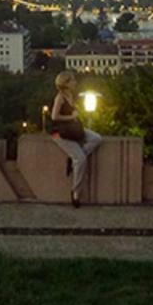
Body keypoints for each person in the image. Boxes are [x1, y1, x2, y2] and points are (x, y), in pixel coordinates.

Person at [49, 71, 103, 208]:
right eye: (72, 80)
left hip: (73, 130)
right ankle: (76, 192)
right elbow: (54, 117)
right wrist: (71, 117)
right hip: (60, 133)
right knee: (81, 159)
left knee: (96, 139)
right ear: (65, 84)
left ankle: (73, 159)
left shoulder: (70, 96)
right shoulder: (60, 98)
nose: (75, 82)